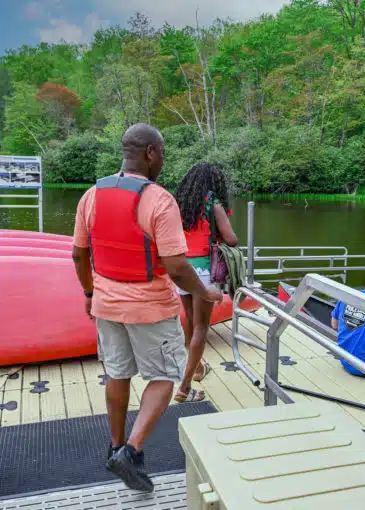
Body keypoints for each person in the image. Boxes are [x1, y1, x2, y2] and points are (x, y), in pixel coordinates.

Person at [71, 123, 223, 493]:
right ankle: (132, 451)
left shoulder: (91, 196)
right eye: (163, 154)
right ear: (150, 153)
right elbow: (176, 266)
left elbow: (78, 254)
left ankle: (115, 446)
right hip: (150, 308)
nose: (163, 162)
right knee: (164, 377)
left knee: (117, 374)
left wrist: (89, 293)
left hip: (106, 305)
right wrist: (206, 291)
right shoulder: (159, 200)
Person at [172, 163, 238, 403]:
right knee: (201, 327)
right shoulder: (214, 205)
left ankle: (198, 366)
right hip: (204, 271)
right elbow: (231, 239)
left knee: (191, 321)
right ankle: (185, 385)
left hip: (181, 268)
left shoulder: (179, 205)